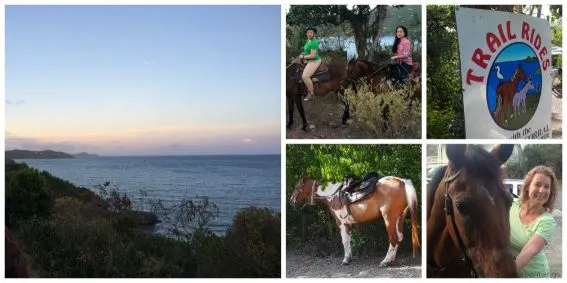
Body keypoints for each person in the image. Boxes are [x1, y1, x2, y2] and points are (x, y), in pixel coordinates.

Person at [509, 165, 558, 278]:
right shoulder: (513, 206)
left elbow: (529, 251)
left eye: (547, 187)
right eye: (537, 184)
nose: (542, 190)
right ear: (527, 187)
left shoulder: (547, 221)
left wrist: (505, 276)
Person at [298, 26, 321, 101]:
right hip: (308, 59)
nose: (309, 34)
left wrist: (303, 57)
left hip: (314, 60)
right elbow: (307, 50)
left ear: (313, 34)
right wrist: (303, 53)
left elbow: (312, 55)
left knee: (305, 76)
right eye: (308, 32)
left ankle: (311, 93)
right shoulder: (308, 40)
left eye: (311, 32)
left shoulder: (314, 42)